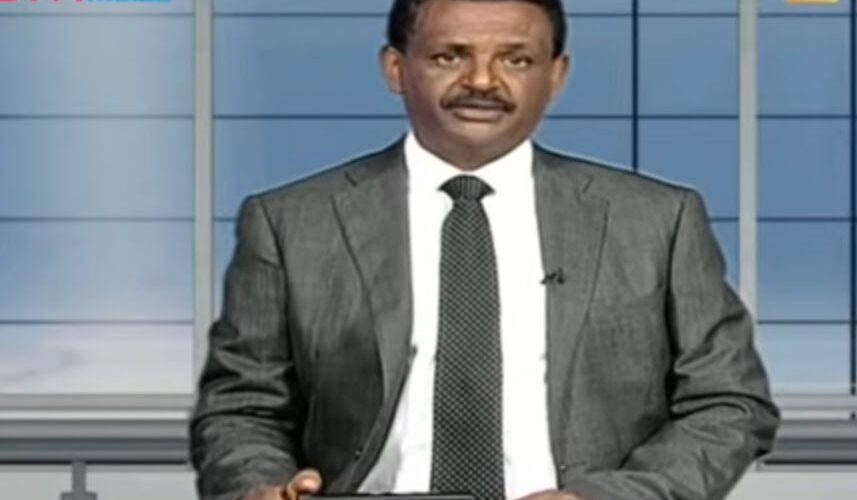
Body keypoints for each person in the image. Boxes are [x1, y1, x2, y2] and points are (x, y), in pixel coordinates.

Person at [189, 0, 781, 499]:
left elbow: (729, 403)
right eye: (450, 56)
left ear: (557, 75)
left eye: (516, 60)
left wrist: (608, 497)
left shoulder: (657, 220)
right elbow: (243, 407)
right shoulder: (291, 222)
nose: (481, 81)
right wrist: (261, 485)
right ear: (396, 68)